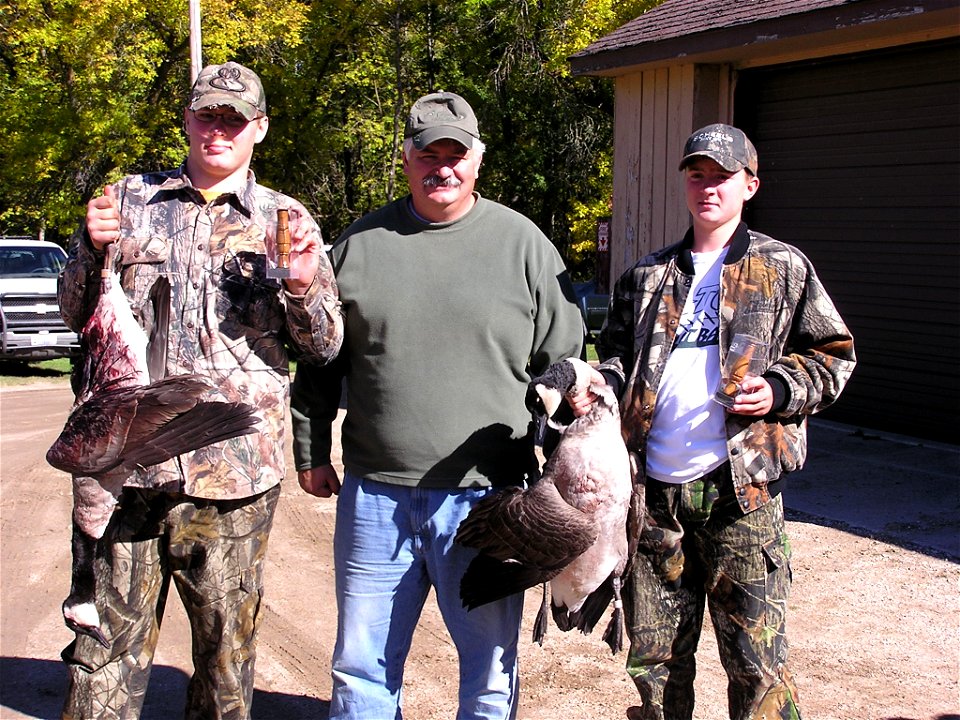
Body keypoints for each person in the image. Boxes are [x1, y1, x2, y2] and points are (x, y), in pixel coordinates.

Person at [58, 61, 343, 719]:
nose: (218, 130)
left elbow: (324, 346)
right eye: (207, 115)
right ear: (188, 120)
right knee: (102, 657)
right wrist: (85, 244)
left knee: (224, 663)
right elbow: (74, 311)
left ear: (259, 128)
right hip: (125, 469)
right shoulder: (126, 200)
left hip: (233, 482)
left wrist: (299, 286)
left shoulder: (285, 220)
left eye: (234, 119)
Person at [290, 91, 584, 720]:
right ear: (406, 159)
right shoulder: (358, 246)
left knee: (489, 669)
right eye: (429, 154)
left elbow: (567, 368)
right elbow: (319, 360)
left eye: (456, 155)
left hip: (490, 500)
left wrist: (567, 487)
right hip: (375, 496)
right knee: (361, 666)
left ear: (477, 161)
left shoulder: (523, 246)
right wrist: (312, 451)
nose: (442, 168)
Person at [569, 124, 856, 720]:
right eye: (696, 175)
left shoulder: (783, 268)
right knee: (654, 669)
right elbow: (618, 361)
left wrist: (778, 390)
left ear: (749, 184)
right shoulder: (646, 277)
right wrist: (599, 385)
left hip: (740, 499)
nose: (707, 187)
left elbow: (834, 354)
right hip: (654, 502)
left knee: (759, 671)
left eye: (722, 176)